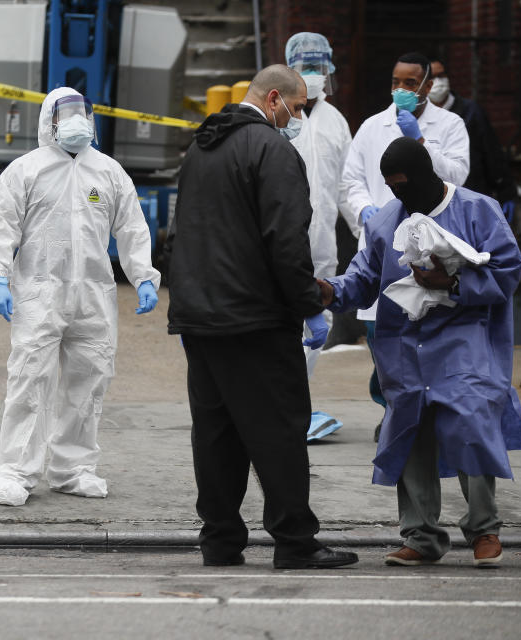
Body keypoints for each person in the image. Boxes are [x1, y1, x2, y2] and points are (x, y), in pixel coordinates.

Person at [164, 64, 358, 570]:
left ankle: (221, 542)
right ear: (274, 99)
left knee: (216, 435)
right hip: (254, 317)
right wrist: (310, 307)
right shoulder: (273, 151)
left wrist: (184, 305)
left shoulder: (201, 148)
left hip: (202, 319)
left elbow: (184, 232)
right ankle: (295, 542)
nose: (298, 118)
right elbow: (286, 241)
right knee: (279, 431)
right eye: (296, 108)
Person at [321, 137, 521, 567]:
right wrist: (331, 290)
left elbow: (508, 270)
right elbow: (364, 275)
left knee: (470, 416)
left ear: (425, 174)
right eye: (392, 187)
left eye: (404, 184)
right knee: (409, 428)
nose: (400, 195)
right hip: (405, 343)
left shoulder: (477, 210)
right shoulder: (388, 221)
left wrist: (454, 284)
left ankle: (484, 529)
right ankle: (421, 536)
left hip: (465, 337)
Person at [0, 87, 160, 507]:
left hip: (93, 295)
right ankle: (16, 472)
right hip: (38, 293)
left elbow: (131, 227)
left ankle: (72, 469)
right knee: (29, 380)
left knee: (89, 382)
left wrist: (144, 276)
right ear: (49, 121)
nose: (76, 120)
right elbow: (3, 226)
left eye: (82, 112)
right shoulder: (25, 171)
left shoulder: (109, 172)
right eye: (67, 113)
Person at [342, 52, 470, 441]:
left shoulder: (450, 125)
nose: (400, 90)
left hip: (429, 246)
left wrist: (419, 140)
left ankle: (421, 411)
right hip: (381, 245)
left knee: (423, 334)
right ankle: (392, 408)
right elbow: (351, 181)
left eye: (410, 83)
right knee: (383, 336)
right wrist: (366, 212)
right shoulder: (370, 127)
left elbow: (458, 176)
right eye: (396, 82)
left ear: (428, 86)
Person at [284, 32, 355, 440]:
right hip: (278, 242)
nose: (313, 76)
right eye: (305, 67)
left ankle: (297, 407)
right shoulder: (276, 114)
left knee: (316, 324)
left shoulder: (335, 121)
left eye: (318, 68)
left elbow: (345, 186)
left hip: (321, 245)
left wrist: (369, 232)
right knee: (278, 322)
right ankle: (276, 407)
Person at [428, 59, 517, 222]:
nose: (439, 81)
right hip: (433, 206)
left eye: (442, 75)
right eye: (433, 77)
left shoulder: (471, 113)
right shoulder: (419, 118)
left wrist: (506, 191)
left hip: (471, 199)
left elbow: (492, 153)